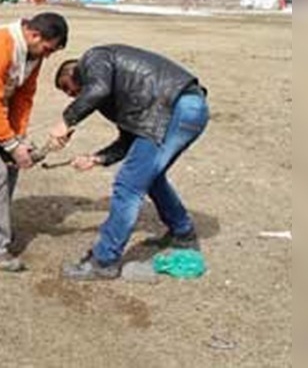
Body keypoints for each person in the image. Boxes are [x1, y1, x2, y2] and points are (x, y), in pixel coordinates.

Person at [47, 44, 209, 280]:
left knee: (128, 185)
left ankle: (104, 261)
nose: (70, 95)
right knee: (150, 177)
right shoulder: (120, 95)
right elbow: (130, 138)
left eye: (67, 87)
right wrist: (96, 158)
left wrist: (66, 120)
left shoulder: (94, 58)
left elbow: (97, 90)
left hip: (176, 108)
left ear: (75, 72)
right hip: (184, 109)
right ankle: (182, 233)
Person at [0, 12, 68, 272]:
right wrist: (10, 144)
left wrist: (18, 138)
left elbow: (23, 96)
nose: (47, 56)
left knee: (10, 165)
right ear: (34, 34)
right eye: (47, 49)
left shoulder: (32, 53)